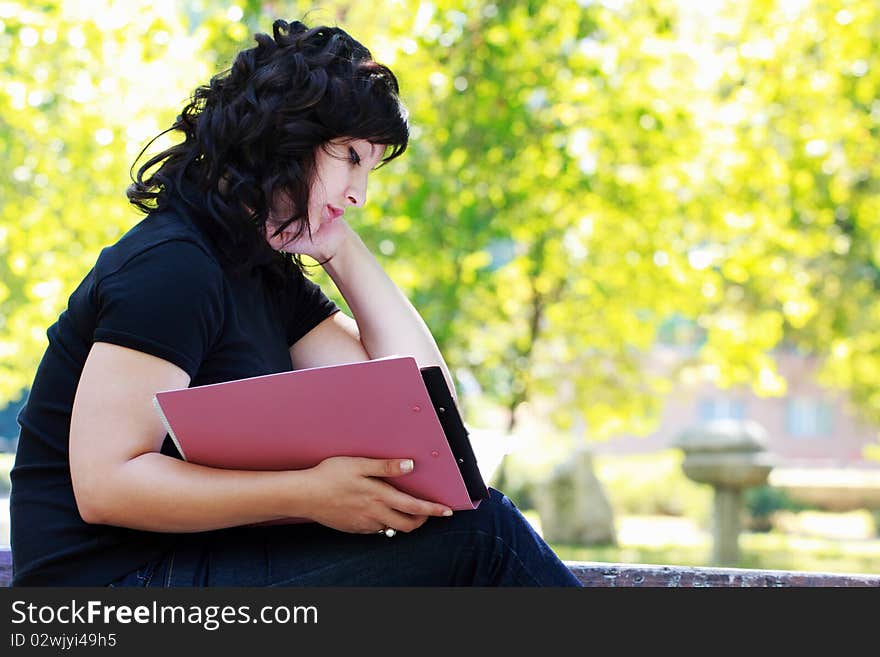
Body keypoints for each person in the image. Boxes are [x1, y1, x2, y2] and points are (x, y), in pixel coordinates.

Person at [9, 19, 582, 587]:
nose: (359, 195)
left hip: (193, 569)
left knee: (468, 523)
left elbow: (421, 411)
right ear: (290, 138)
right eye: (353, 158)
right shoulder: (173, 267)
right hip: (108, 596)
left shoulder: (259, 271)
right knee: (485, 538)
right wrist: (309, 495)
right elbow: (107, 485)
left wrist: (341, 248)